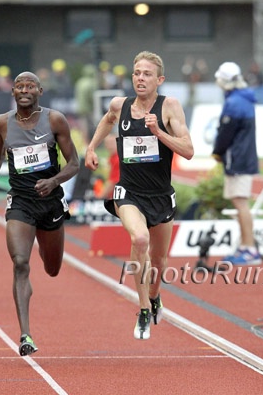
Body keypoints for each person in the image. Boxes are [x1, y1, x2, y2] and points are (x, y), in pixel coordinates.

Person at [85, 51, 194, 340]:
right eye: (136, 73)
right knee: (139, 239)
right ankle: (144, 308)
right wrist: (91, 148)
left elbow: (188, 150)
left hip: (160, 194)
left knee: (159, 262)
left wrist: (159, 132)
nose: (140, 78)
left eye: (147, 74)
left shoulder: (169, 106)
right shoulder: (119, 105)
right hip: (129, 192)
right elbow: (108, 120)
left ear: (160, 80)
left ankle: (155, 296)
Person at [0, 71, 79, 356]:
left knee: (52, 268)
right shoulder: (1, 123)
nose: (25, 90)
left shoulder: (55, 120)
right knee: (20, 263)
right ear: (13, 92)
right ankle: (25, 335)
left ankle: (45, 245)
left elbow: (74, 164)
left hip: (51, 202)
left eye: (30, 86)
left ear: (40, 91)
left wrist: (54, 181)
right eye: (20, 86)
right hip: (20, 202)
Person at [211, 61, 261, 265]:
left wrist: (217, 151)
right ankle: (245, 246)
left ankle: (249, 249)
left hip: (237, 158)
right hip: (242, 156)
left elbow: (225, 134)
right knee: (239, 203)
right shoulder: (243, 99)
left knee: (241, 204)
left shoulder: (234, 103)